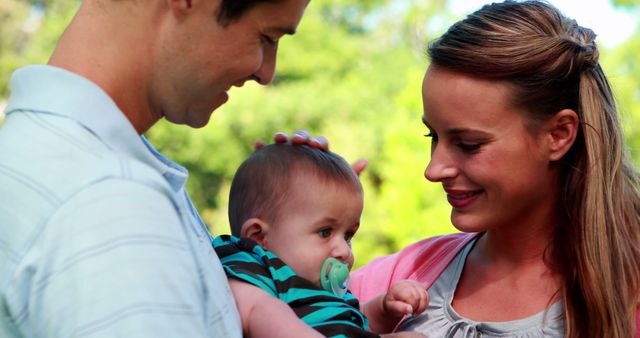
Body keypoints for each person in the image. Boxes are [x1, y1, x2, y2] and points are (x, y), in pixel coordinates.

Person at [0, 0, 312, 337]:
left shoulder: (52, 156)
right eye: (267, 37)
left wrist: (298, 230)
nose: (266, 73)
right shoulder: (110, 200)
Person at [342, 1, 640, 337]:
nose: (434, 169)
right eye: (433, 136)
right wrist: (292, 206)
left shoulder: (628, 294)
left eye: (468, 144)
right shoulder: (400, 278)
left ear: (558, 135)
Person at [213, 143, 429, 338]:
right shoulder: (253, 269)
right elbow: (258, 312)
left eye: (348, 236)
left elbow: (352, 320)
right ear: (258, 237)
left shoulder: (322, 289)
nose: (343, 250)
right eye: (325, 232)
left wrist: (383, 309)